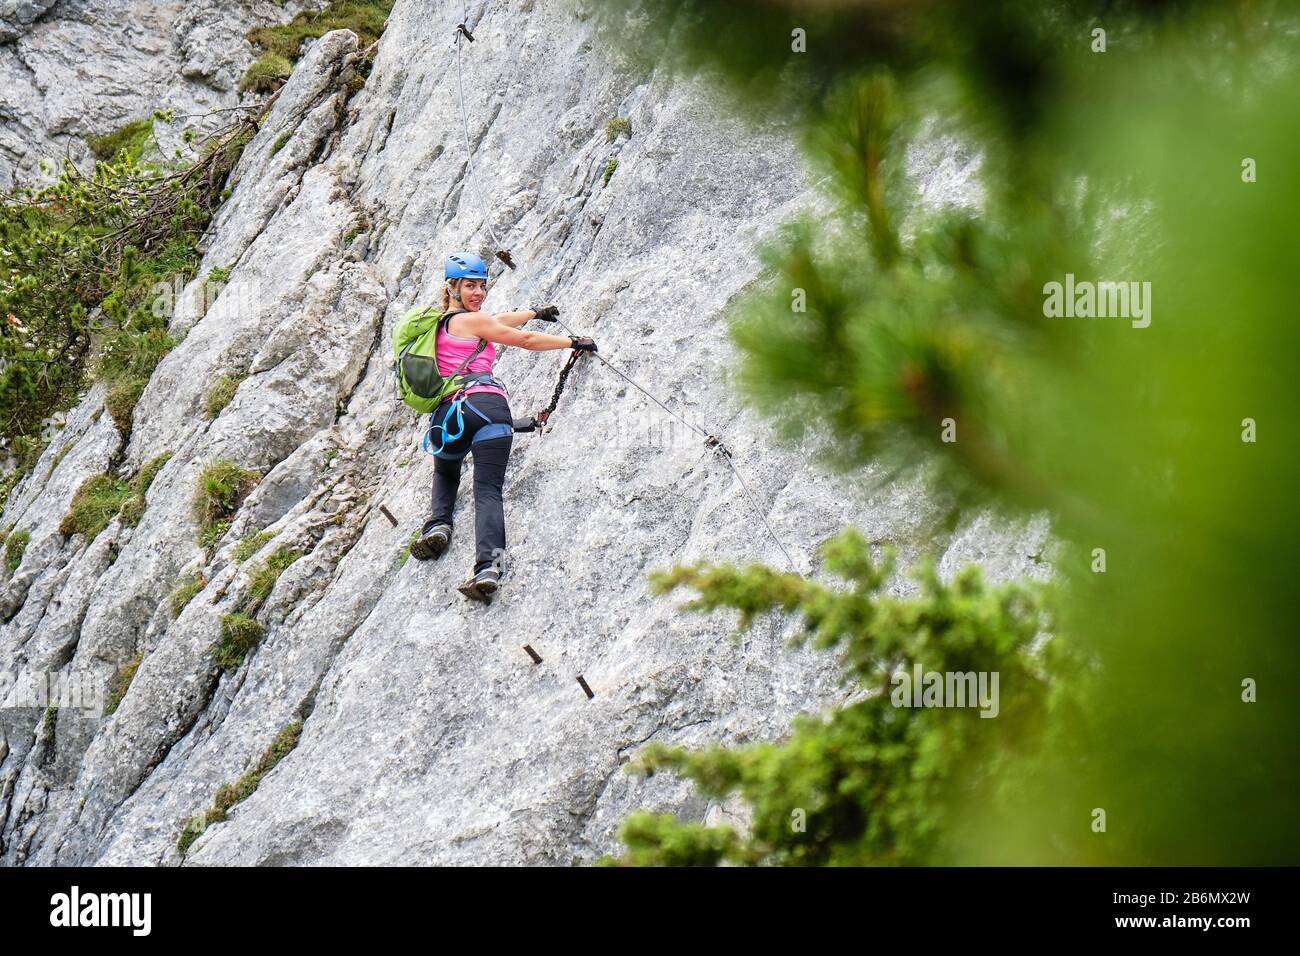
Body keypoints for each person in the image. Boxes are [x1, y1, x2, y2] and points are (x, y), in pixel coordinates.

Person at [409, 251, 597, 603]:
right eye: (470, 286)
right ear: (452, 288)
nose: (478, 292)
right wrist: (571, 342)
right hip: (487, 408)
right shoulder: (474, 322)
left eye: (482, 286)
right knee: (488, 491)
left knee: (447, 472)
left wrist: (533, 314)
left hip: (450, 417)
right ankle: (488, 568)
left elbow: (499, 320)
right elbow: (522, 340)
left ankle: (438, 526)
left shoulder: (440, 326)